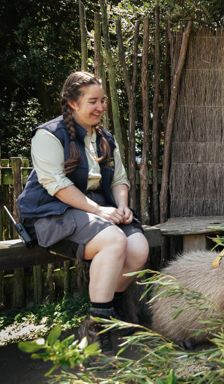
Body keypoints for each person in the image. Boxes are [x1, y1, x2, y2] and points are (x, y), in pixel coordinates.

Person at [17, 71, 149, 353]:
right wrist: (99, 209)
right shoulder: (48, 135)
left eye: (103, 100)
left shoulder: (105, 138)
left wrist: (122, 206)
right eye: (93, 101)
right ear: (73, 103)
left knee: (138, 249)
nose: (100, 107)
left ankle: (107, 310)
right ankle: (97, 328)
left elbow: (119, 179)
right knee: (114, 241)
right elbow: (57, 184)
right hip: (52, 210)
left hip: (97, 208)